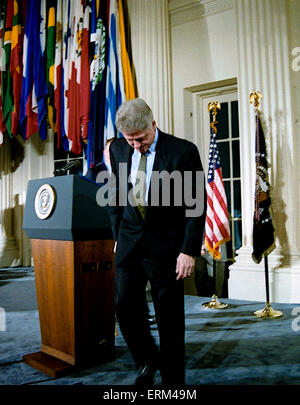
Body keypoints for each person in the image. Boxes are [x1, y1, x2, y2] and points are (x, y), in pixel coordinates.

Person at [108, 98, 206, 385]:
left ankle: (174, 379)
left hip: (167, 248)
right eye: (131, 141)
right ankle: (147, 360)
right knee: (125, 307)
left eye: (141, 139)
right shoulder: (117, 148)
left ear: (154, 124)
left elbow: (196, 205)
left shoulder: (183, 151)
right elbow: (116, 192)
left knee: (169, 318)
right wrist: (117, 236)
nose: (136, 146)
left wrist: (188, 251)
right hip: (128, 242)